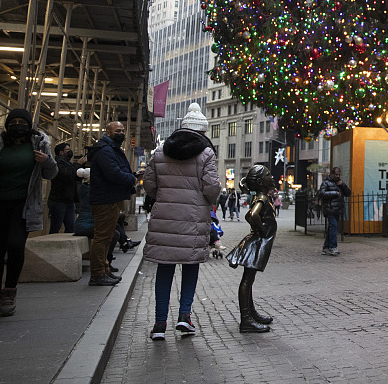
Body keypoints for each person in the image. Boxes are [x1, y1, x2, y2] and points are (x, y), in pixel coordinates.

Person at [144, 103, 221, 340]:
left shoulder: (159, 152)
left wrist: (165, 197)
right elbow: (211, 189)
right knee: (190, 267)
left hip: (165, 221)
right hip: (193, 221)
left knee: (164, 270)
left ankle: (159, 324)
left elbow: (149, 185)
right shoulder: (206, 154)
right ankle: (184, 316)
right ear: (202, 132)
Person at [0, 107, 57, 316]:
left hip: (23, 205)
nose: (18, 125)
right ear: (7, 125)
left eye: (22, 121)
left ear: (29, 126)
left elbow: (52, 173)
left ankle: (9, 291)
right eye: (13, 121)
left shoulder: (40, 144)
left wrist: (46, 161)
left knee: (16, 245)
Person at [87, 121, 140, 287]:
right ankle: (97, 273)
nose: (121, 133)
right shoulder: (105, 150)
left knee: (107, 236)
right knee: (102, 238)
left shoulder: (110, 149)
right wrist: (132, 179)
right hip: (105, 200)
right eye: (118, 131)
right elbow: (114, 173)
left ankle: (104, 269)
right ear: (108, 133)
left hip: (110, 199)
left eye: (123, 130)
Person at [226, 164, 278, 333]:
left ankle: (251, 313)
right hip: (256, 243)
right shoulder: (262, 198)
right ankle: (246, 319)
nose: (271, 177)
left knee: (249, 279)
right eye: (268, 175)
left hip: (257, 242)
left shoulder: (261, 196)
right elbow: (251, 215)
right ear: (260, 181)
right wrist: (262, 230)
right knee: (247, 280)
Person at [47, 143, 81, 234]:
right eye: (67, 150)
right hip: (58, 200)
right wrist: (78, 164)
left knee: (71, 227)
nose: (70, 151)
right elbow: (66, 175)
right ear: (61, 152)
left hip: (68, 200)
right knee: (56, 227)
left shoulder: (67, 163)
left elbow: (74, 175)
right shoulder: (57, 163)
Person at [318, 166, 351, 255]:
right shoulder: (326, 183)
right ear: (332, 174)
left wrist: (343, 185)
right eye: (336, 174)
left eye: (339, 174)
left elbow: (348, 193)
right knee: (334, 226)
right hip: (330, 209)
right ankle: (333, 246)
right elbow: (321, 193)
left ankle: (326, 247)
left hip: (338, 209)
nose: (338, 176)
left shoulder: (340, 184)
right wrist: (334, 193)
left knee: (331, 228)